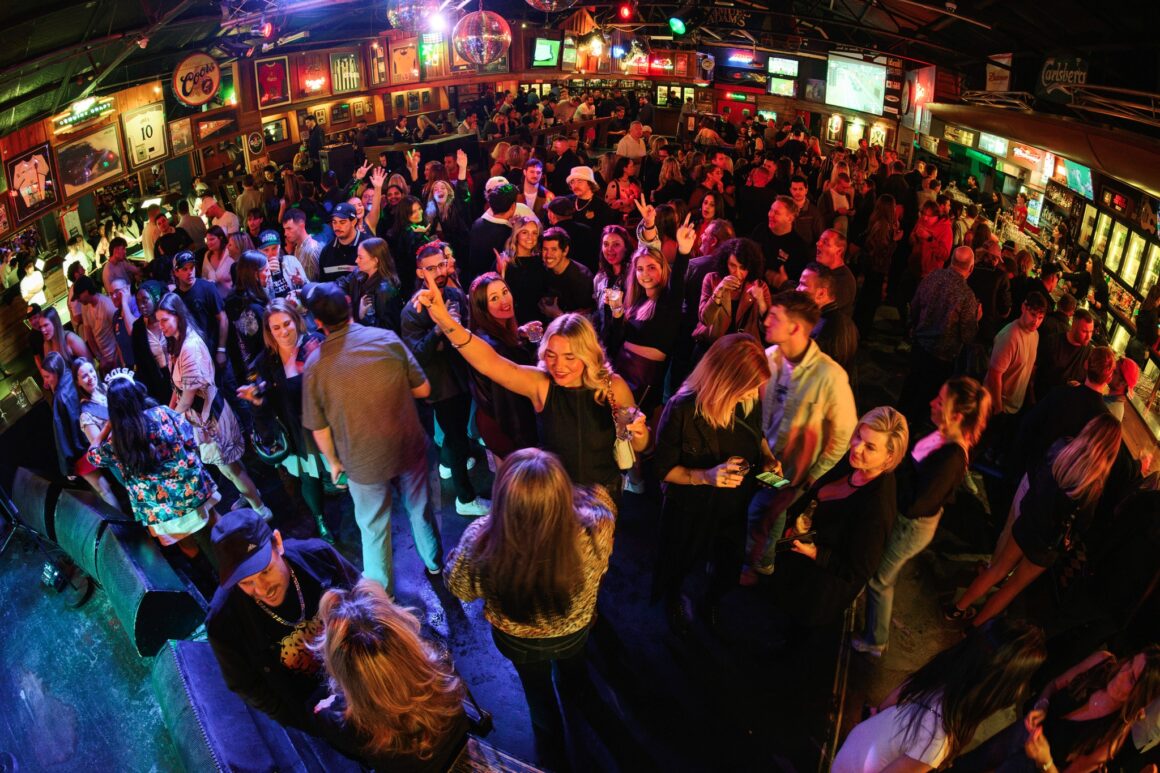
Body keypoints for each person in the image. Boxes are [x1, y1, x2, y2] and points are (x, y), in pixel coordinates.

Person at [445, 449, 616, 770]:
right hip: (574, 629)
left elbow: (459, 588)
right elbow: (602, 499)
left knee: (538, 695)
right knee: (574, 672)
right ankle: (576, 695)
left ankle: (553, 756)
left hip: (517, 641)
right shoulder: (597, 524)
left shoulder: (481, 539)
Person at [418, 271, 648, 496]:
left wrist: (639, 434)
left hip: (602, 498)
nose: (559, 365)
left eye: (570, 357)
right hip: (553, 496)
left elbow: (639, 445)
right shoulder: (541, 384)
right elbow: (490, 362)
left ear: (588, 354)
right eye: (551, 355)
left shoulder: (612, 386)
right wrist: (444, 319)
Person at [302, 283, 441, 591]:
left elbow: (319, 427)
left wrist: (334, 462)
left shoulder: (315, 366)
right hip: (407, 446)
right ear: (350, 305)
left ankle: (383, 597)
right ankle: (434, 565)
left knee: (373, 528)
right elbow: (423, 389)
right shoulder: (386, 339)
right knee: (420, 509)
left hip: (361, 461)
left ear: (319, 323)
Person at [853, 377, 991, 656]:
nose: (932, 403)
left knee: (881, 579)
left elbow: (917, 503)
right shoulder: (944, 434)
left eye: (940, 401)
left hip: (911, 527)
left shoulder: (951, 458)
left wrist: (889, 477)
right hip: (907, 520)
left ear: (957, 415)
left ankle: (875, 641)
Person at [946, 413, 1122, 625]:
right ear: (1111, 450)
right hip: (1046, 544)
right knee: (1012, 588)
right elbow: (1083, 524)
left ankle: (956, 610)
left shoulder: (1062, 446)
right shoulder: (1093, 485)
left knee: (997, 570)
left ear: (1089, 429)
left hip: (1028, 521)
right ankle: (972, 630)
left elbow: (1039, 473)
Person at [653, 334, 775, 632]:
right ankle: (673, 601)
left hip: (733, 503)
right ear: (725, 381)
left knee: (727, 566)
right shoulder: (683, 409)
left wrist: (769, 458)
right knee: (680, 561)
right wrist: (706, 476)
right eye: (747, 389)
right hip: (691, 506)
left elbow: (755, 434)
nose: (753, 395)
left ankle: (711, 602)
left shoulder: (749, 402)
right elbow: (662, 469)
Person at [206, 509, 361, 731]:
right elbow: (245, 684)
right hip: (314, 707)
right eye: (246, 582)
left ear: (277, 542)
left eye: (266, 571)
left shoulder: (318, 556)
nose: (261, 589)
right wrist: (303, 720)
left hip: (358, 671)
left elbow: (364, 599)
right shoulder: (223, 621)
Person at [742, 291, 857, 580]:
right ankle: (760, 560)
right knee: (767, 510)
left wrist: (814, 474)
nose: (766, 320)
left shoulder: (830, 377)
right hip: (763, 459)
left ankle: (758, 565)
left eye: (775, 317)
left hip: (794, 471)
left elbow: (844, 433)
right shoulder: (769, 358)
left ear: (795, 327)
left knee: (764, 511)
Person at [834, 619, 1047, 771]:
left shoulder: (942, 673)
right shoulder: (938, 739)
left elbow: (888, 702)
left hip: (853, 747)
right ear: (1000, 688)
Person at [766, 406, 908, 628]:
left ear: (889, 456)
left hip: (817, 589)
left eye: (870, 447)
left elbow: (859, 570)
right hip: (796, 563)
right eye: (859, 436)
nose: (856, 447)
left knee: (788, 632)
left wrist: (815, 553)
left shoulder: (876, 509)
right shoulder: (854, 462)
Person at [310, 579, 469, 771]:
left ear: (343, 671)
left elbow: (353, 753)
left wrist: (328, 709)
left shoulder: (343, 723)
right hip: (460, 749)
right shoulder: (440, 666)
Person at [957, 646, 1160, 773]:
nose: (1122, 673)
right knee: (971, 762)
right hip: (1024, 731)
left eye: (1132, 679)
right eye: (1130, 664)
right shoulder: (1102, 662)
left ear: (1141, 697)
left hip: (1032, 768)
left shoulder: (1111, 737)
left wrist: (1045, 761)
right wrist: (1043, 705)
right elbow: (1053, 685)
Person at [156, 293, 270, 519]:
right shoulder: (175, 345)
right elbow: (176, 389)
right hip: (200, 418)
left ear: (177, 316)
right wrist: (167, 413)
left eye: (164, 320)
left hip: (211, 418)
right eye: (158, 321)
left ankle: (260, 508)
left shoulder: (190, 347)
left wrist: (168, 422)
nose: (161, 326)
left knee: (231, 468)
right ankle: (248, 495)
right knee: (229, 466)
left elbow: (187, 398)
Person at [87, 372, 220, 558]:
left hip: (160, 509)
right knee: (216, 527)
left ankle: (210, 577)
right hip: (192, 489)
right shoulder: (162, 413)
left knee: (187, 545)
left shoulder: (118, 440)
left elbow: (92, 456)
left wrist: (108, 428)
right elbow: (189, 436)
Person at [400, 245, 491, 517]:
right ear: (419, 272)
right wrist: (441, 328)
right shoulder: (414, 310)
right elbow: (416, 354)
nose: (439, 272)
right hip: (442, 386)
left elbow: (466, 334)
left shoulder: (453, 294)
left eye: (442, 265)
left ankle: (449, 463)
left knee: (457, 432)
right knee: (456, 435)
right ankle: (465, 498)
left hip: (460, 377)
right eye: (431, 268)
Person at [897, 246, 979, 424]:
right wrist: (976, 319)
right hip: (942, 357)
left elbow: (915, 305)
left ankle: (895, 422)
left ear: (951, 260)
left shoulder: (932, 277)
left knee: (909, 388)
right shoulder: (967, 296)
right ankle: (909, 436)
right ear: (971, 268)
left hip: (920, 345)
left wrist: (914, 328)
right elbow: (968, 336)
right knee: (926, 401)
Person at [466, 272, 540, 459]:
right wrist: (527, 446)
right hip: (505, 426)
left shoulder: (487, 333)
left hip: (490, 420)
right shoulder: (497, 347)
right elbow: (510, 406)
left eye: (505, 292)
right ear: (482, 308)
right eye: (494, 298)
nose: (504, 300)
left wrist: (520, 335)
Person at [39, 352, 118, 505]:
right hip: (97, 439)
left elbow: (62, 435)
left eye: (47, 376)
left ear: (56, 372)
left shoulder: (60, 397)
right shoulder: (72, 378)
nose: (45, 382)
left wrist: (67, 467)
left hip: (82, 450)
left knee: (103, 490)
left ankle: (123, 527)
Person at [694, 237, 769, 348]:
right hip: (712, 346)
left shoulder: (760, 286)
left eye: (743, 268)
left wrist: (761, 302)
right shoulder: (711, 279)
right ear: (725, 263)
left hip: (742, 350)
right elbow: (705, 319)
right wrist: (719, 290)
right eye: (732, 265)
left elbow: (766, 328)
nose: (737, 273)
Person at [798, 262, 859, 370]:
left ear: (821, 293)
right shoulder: (847, 323)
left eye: (803, 284)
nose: (797, 289)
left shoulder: (822, 329)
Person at [130, 280, 173, 405]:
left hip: (179, 375)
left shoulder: (169, 318)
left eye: (145, 300)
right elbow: (141, 365)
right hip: (157, 383)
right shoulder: (138, 329)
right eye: (138, 302)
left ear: (155, 298)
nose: (141, 306)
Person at [73, 276, 120, 372]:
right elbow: (89, 335)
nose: (78, 300)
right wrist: (100, 358)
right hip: (105, 362)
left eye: (78, 296)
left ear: (86, 292)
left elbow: (120, 334)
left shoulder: (107, 305)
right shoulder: (85, 307)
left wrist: (116, 360)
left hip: (117, 359)